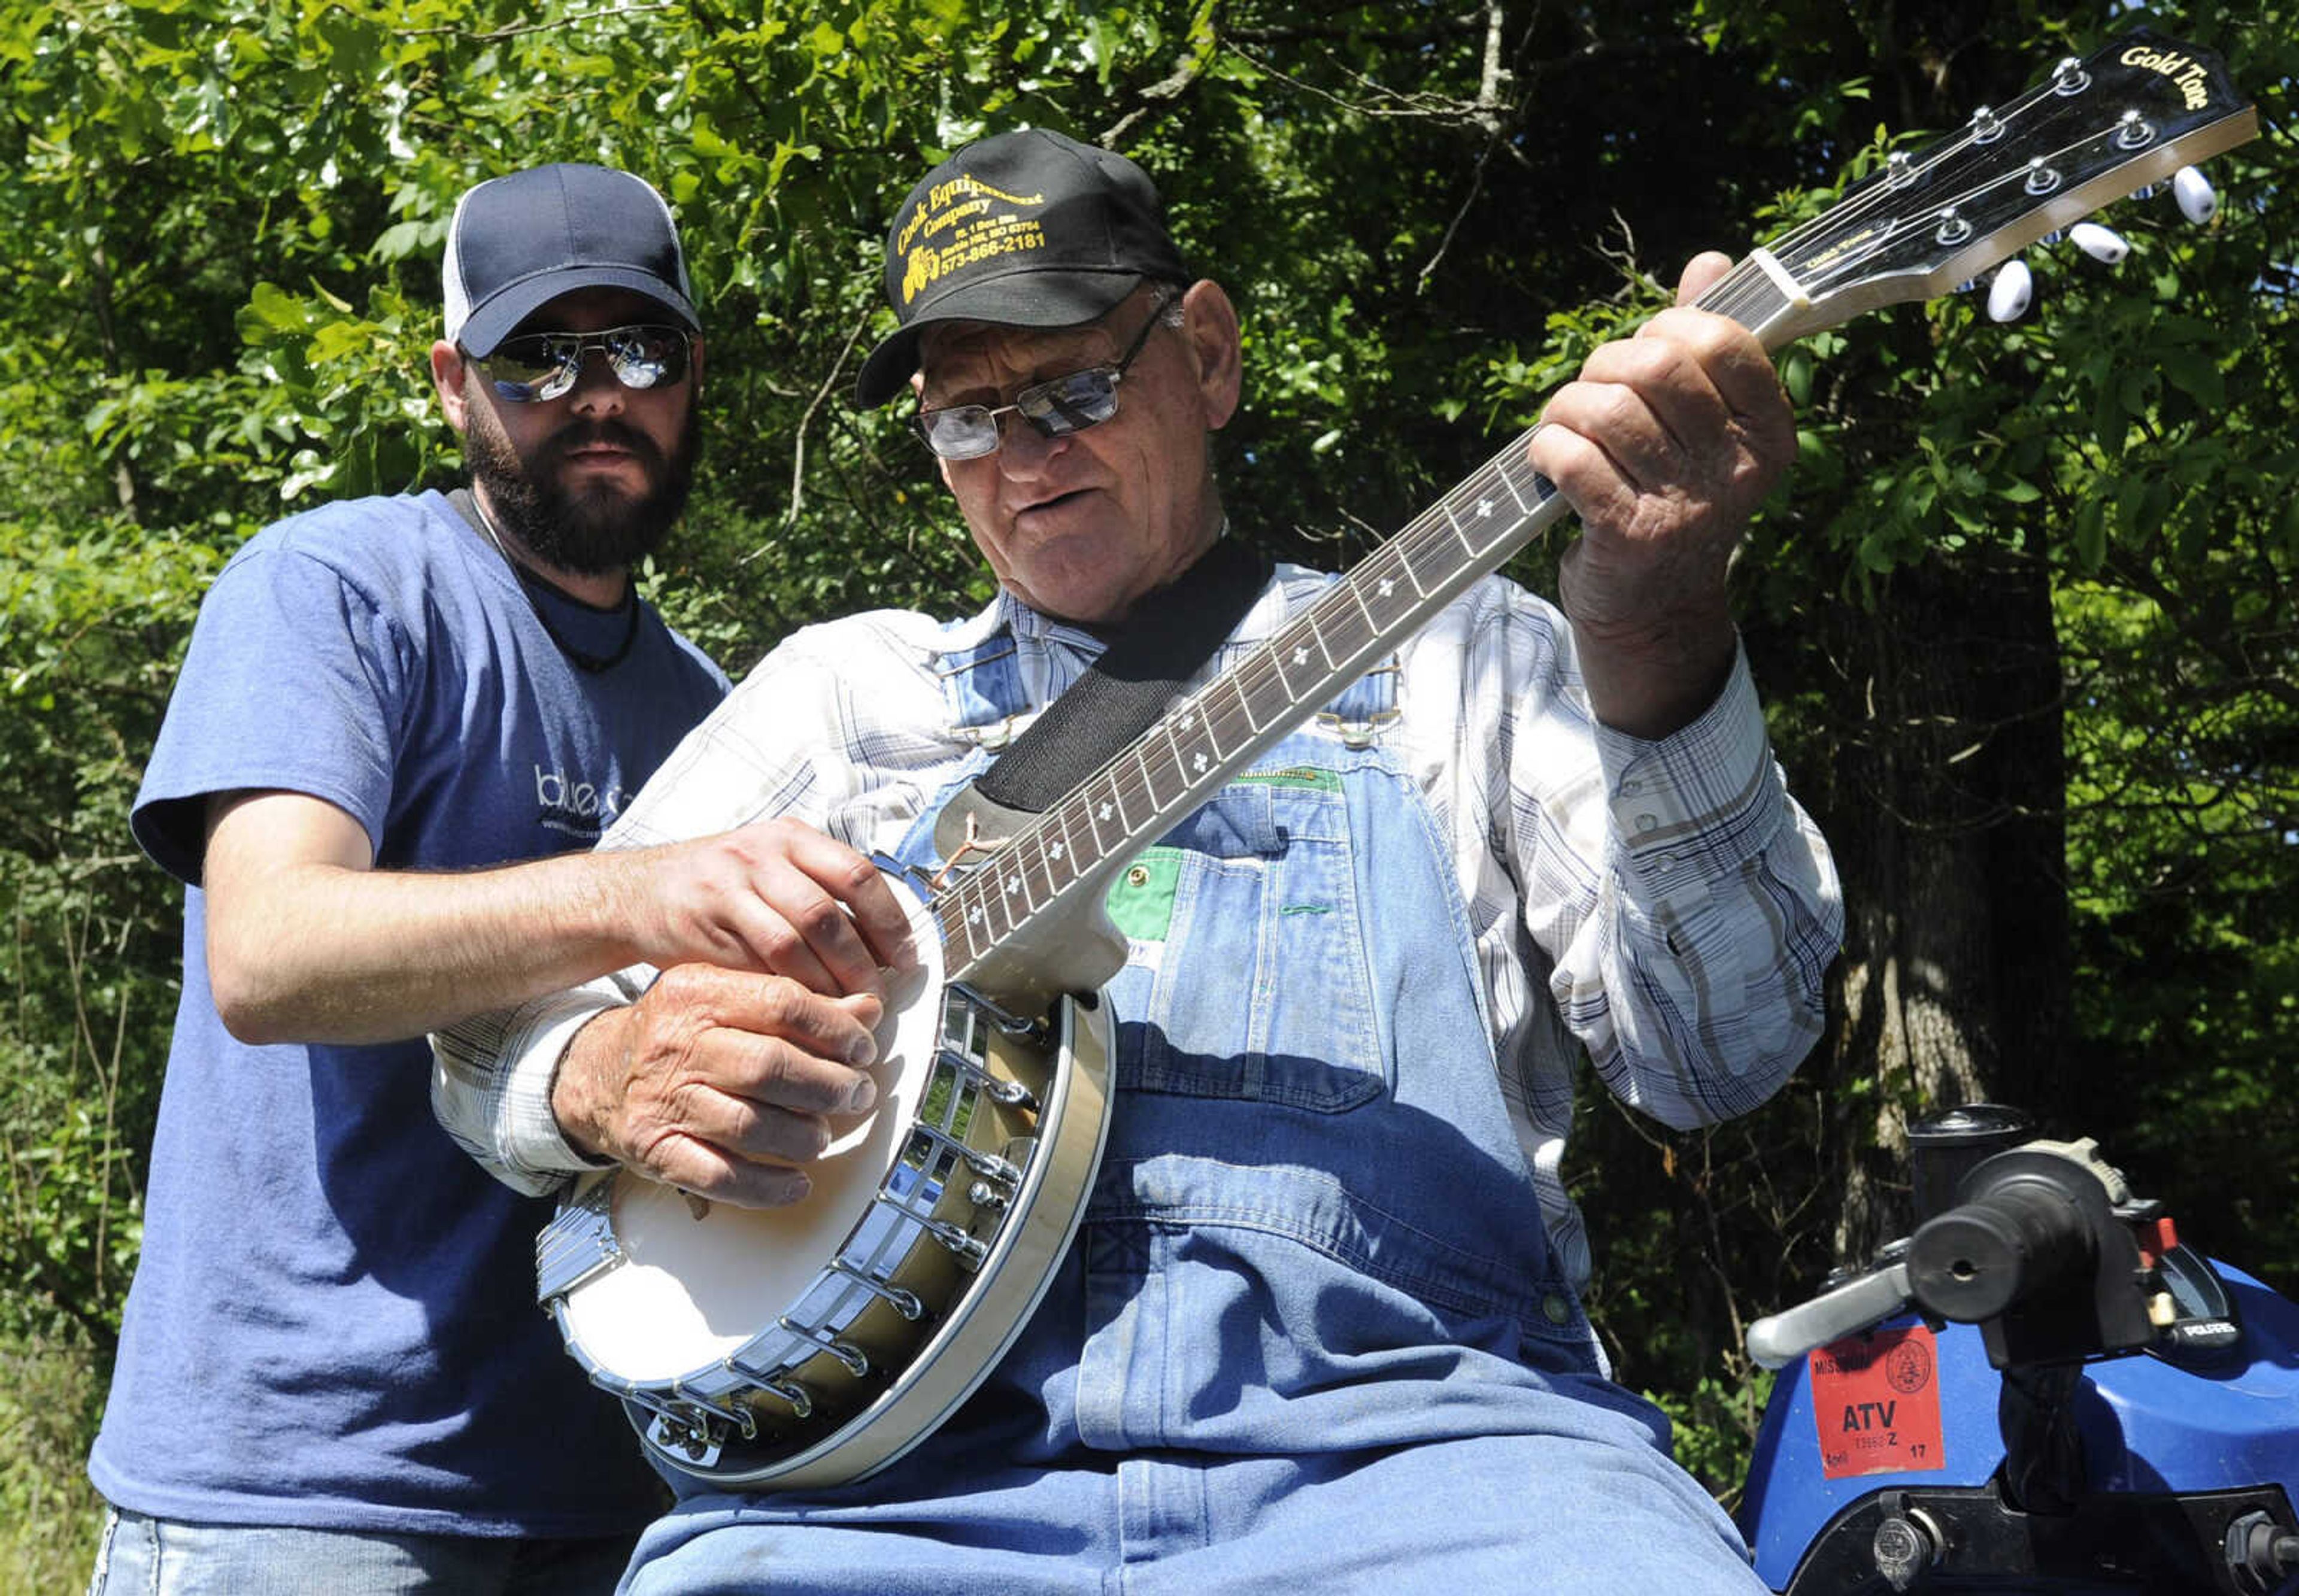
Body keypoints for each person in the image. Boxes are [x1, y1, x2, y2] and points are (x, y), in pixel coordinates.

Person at [434, 129, 1842, 1592]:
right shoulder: (845, 700)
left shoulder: (1461, 657)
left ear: (1211, 358)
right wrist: (598, 1073)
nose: (1028, 457)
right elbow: (487, 1033)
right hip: (880, 1504)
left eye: (1074, 388)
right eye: (969, 420)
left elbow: (1722, 1054)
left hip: (1437, 1459)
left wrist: (1655, 622)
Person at [86, 162, 914, 1595]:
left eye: (640, 351)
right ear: (454, 383)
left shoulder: (712, 708)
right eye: (540, 356)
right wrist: (636, 891)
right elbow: (267, 955)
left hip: (630, 1490)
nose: (599, 395)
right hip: (304, 1492)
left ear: (694, 373)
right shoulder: (334, 589)